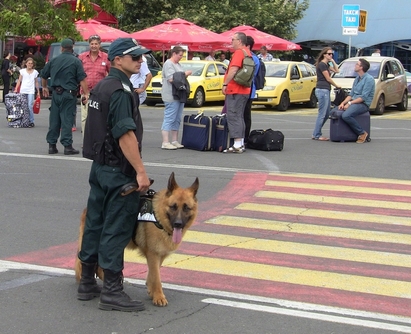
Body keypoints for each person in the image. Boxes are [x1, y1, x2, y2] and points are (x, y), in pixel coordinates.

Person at [79, 37, 151, 312]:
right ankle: (112, 290)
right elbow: (125, 134)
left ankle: (87, 281)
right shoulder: (121, 90)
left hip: (99, 167)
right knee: (116, 228)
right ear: (117, 60)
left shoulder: (103, 86)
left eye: (141, 57)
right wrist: (140, 172)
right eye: (135, 57)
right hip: (118, 171)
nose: (141, 61)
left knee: (95, 222)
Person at [40, 38, 89, 155]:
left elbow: (43, 75)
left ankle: (52, 145)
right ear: (72, 48)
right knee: (67, 119)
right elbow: (82, 79)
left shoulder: (54, 60)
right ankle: (67, 146)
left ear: (61, 48)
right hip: (69, 93)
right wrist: (86, 93)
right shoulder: (76, 61)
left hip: (56, 94)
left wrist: (45, 87)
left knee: (54, 119)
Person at [222, 32, 252, 153]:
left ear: (239, 41)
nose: (231, 42)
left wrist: (225, 84)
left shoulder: (239, 53)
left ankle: (237, 144)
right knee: (240, 116)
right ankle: (241, 142)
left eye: (233, 39)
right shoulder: (247, 52)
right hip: (244, 89)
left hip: (235, 89)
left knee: (233, 115)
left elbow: (233, 69)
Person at [78, 35, 110, 140]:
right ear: (89, 44)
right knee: (85, 118)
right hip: (85, 92)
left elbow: (111, 73)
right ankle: (86, 141)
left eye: (96, 44)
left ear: (100, 45)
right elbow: (77, 74)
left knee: (100, 118)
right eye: (92, 44)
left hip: (100, 93)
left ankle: (99, 140)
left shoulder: (106, 57)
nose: (94, 46)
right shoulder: (82, 57)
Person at [160, 46, 192, 150]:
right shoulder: (168, 64)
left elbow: (179, 77)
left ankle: (174, 140)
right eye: (179, 55)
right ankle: (165, 142)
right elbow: (171, 78)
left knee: (177, 118)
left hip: (179, 95)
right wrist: (184, 74)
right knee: (170, 117)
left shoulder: (178, 64)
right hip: (171, 95)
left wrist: (183, 75)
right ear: (174, 54)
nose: (181, 57)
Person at [337, 58, 375, 143]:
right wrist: (343, 103)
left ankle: (362, 133)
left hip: (363, 104)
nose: (355, 66)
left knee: (346, 115)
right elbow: (351, 94)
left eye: (357, 64)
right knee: (335, 111)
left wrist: (350, 103)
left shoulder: (369, 79)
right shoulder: (357, 78)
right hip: (354, 102)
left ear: (361, 67)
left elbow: (363, 97)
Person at [312, 47, 340, 141]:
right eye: (329, 54)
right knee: (322, 113)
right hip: (322, 90)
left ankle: (316, 132)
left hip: (326, 90)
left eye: (332, 54)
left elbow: (337, 70)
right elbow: (328, 78)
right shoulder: (322, 65)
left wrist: (333, 61)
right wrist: (336, 85)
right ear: (324, 54)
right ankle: (317, 134)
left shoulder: (327, 64)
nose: (331, 55)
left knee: (327, 113)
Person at [14, 57, 41, 127]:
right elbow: (19, 80)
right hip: (23, 90)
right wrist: (16, 88)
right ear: (26, 64)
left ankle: (31, 121)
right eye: (29, 63)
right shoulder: (22, 71)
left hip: (31, 90)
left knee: (30, 106)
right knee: (23, 106)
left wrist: (38, 91)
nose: (30, 65)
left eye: (31, 63)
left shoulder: (35, 72)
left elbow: (36, 82)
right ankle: (24, 120)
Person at [243, 36, 260, 145]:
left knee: (244, 115)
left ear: (247, 46)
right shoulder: (255, 58)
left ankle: (243, 138)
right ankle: (244, 138)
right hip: (250, 89)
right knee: (246, 115)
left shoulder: (251, 58)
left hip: (246, 89)